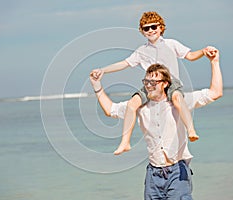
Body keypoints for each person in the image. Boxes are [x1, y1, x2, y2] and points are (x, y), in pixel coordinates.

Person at [90, 48, 223, 199]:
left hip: (177, 172)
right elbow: (110, 110)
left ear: (165, 84)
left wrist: (215, 62)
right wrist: (96, 86)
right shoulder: (140, 108)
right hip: (153, 175)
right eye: (146, 82)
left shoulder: (180, 102)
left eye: (154, 82)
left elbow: (215, 92)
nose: (149, 85)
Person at [91, 11, 211, 155]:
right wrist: (103, 70)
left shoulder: (171, 44)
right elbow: (124, 63)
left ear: (161, 27)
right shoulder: (141, 51)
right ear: (142, 31)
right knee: (132, 104)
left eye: (153, 27)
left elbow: (190, 56)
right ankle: (125, 142)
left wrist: (204, 52)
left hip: (171, 82)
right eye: (146, 28)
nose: (150, 31)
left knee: (178, 99)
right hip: (151, 86)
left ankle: (191, 129)